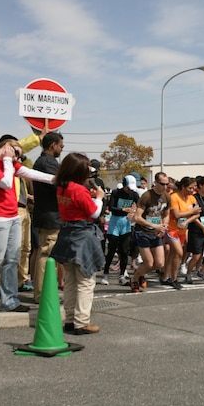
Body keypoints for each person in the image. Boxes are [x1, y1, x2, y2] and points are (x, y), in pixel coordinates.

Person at [0, 138, 55, 314]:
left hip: (13, 215)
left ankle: (9, 300)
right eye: (16, 153)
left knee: (13, 260)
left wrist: (60, 179)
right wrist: (8, 160)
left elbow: (33, 174)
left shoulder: (10, 163)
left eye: (19, 156)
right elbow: (6, 183)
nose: (17, 158)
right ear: (6, 147)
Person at [49, 153, 105, 334]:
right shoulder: (79, 189)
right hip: (82, 234)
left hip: (66, 234)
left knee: (71, 280)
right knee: (86, 281)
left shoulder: (61, 187)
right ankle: (82, 322)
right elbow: (94, 213)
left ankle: (70, 320)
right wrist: (99, 198)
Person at [31, 132, 64, 303]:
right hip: (50, 214)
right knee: (47, 253)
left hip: (48, 213)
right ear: (53, 145)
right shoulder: (48, 163)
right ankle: (43, 294)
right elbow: (59, 187)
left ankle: (44, 293)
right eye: (61, 146)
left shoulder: (43, 162)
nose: (61, 149)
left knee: (49, 253)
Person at [130, 172, 171, 293]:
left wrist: (163, 227)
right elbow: (137, 217)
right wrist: (154, 225)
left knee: (159, 263)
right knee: (148, 263)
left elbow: (166, 214)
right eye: (162, 184)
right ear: (155, 183)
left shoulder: (167, 197)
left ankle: (141, 273)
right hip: (143, 232)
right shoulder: (146, 196)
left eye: (167, 184)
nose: (165, 187)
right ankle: (135, 279)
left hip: (156, 233)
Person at [164, 176, 201, 288]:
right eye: (190, 188)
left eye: (193, 188)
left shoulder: (191, 199)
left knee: (172, 254)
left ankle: (165, 276)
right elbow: (176, 214)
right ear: (183, 187)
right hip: (171, 228)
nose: (192, 190)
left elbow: (197, 213)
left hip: (182, 229)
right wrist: (191, 211)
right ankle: (174, 278)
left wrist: (187, 221)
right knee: (179, 252)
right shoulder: (174, 197)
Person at [103, 175, 139, 286]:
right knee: (112, 250)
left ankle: (122, 274)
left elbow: (139, 207)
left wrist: (133, 212)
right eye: (128, 187)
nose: (130, 190)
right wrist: (124, 209)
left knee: (124, 251)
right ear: (124, 185)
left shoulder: (134, 195)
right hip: (115, 223)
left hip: (126, 224)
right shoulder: (115, 193)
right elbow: (112, 208)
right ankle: (105, 273)